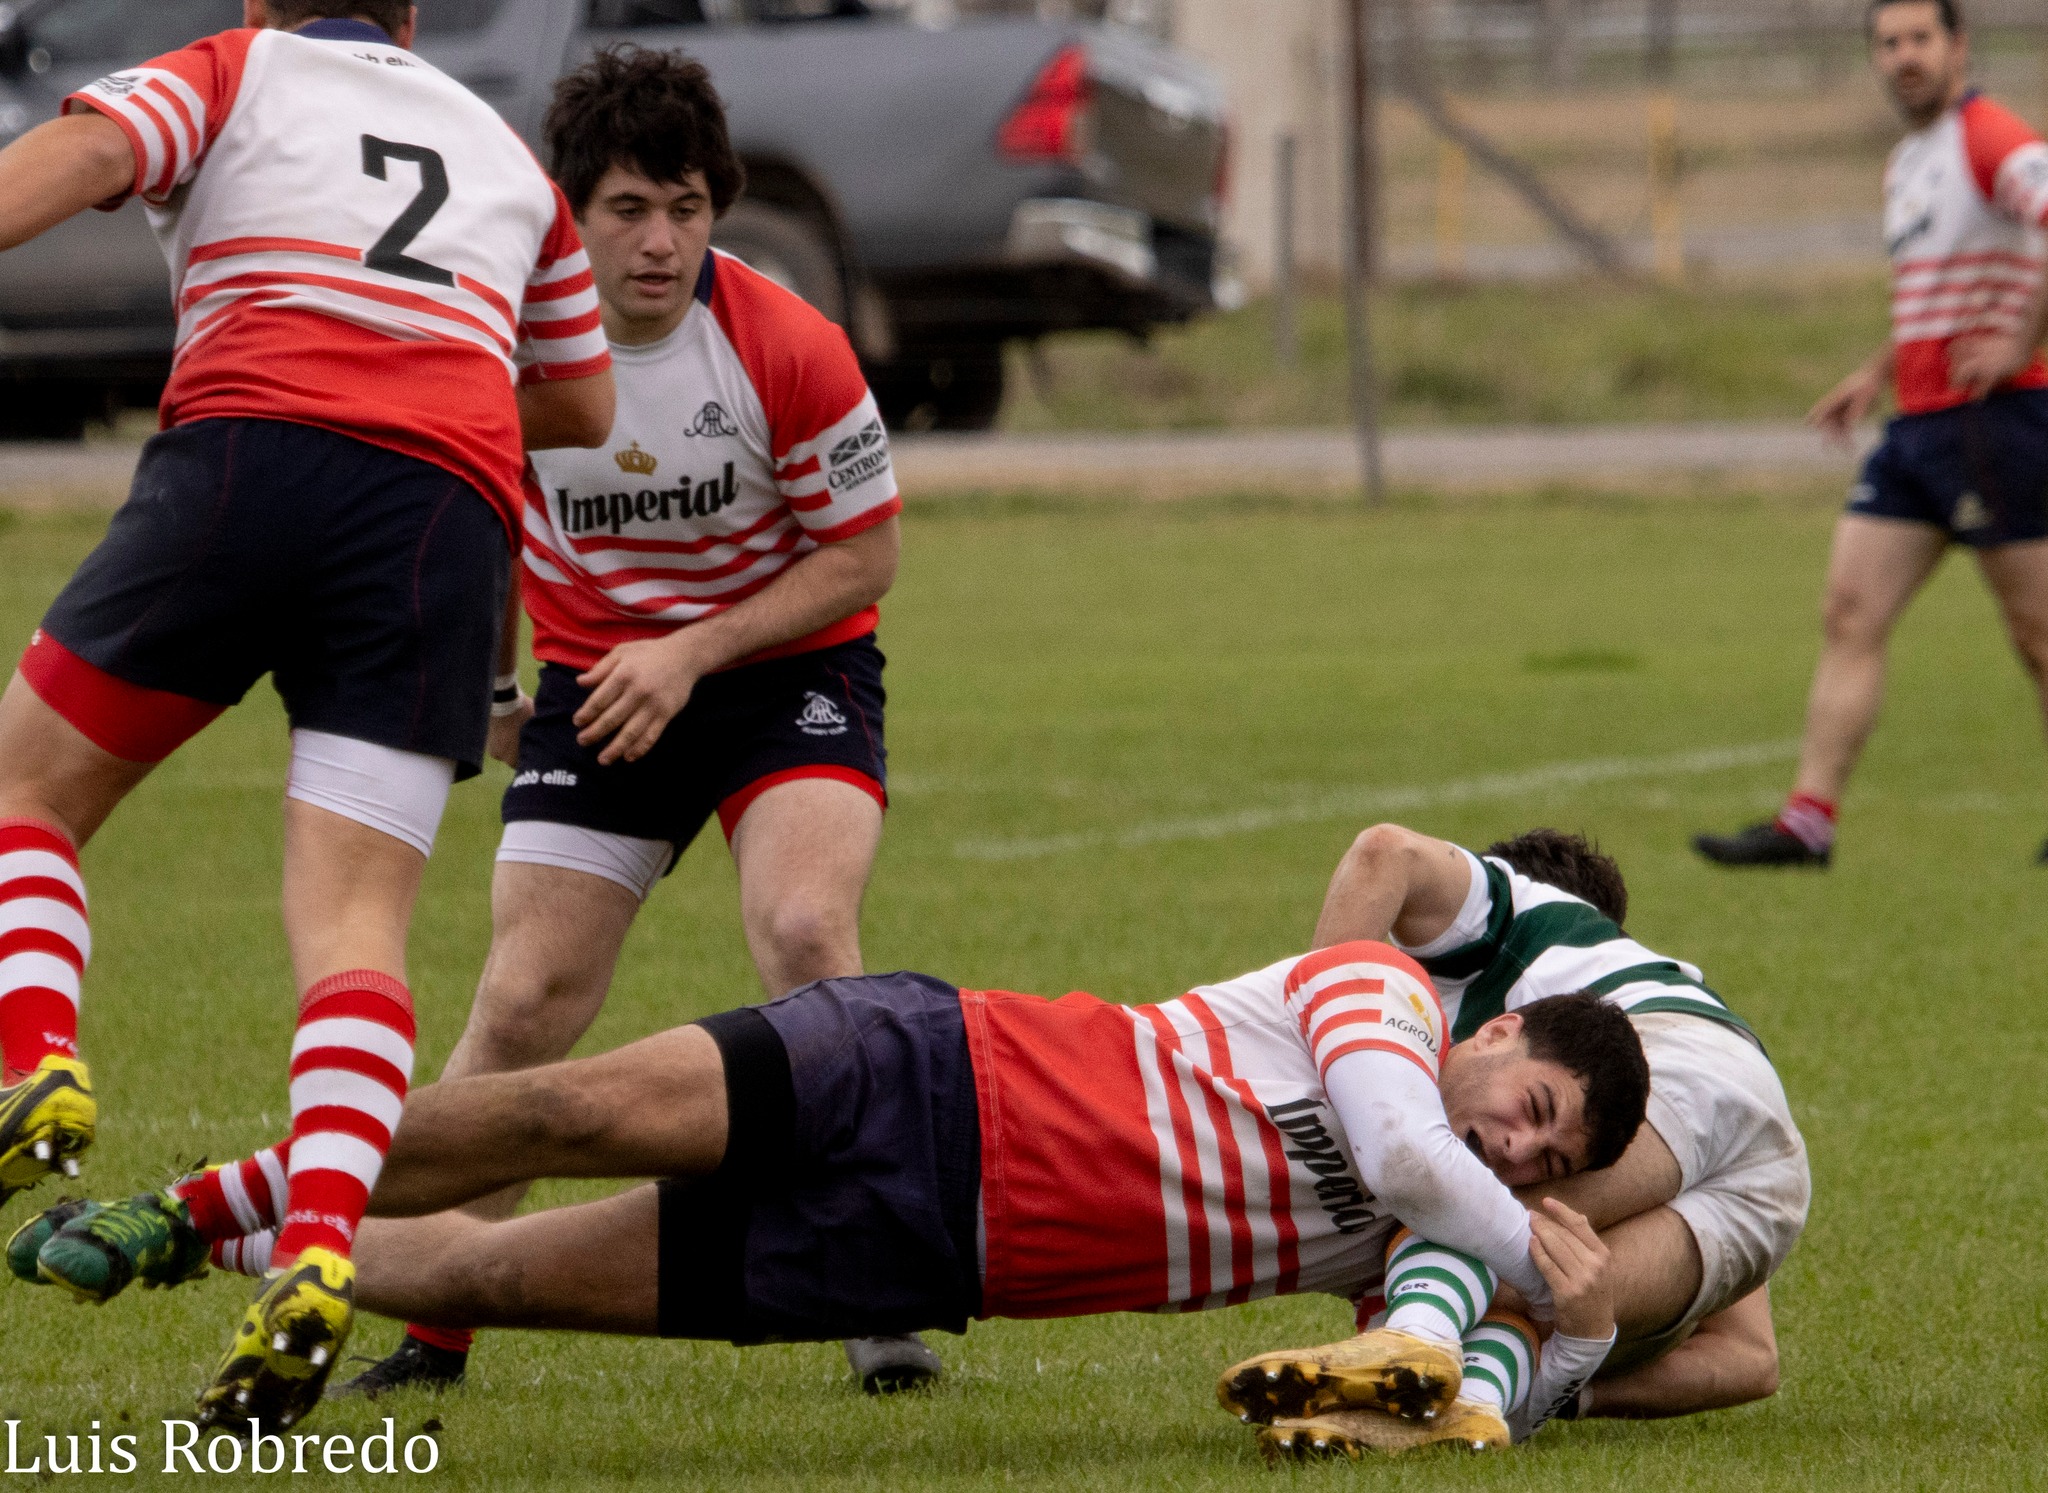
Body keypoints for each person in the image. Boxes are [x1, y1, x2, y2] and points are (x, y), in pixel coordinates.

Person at [0, 0, 614, 1429]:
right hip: (443, 512)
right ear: (411, 14)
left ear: (264, 0)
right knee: (354, 924)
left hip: (249, 453)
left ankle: (37, 1064)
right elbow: (580, 398)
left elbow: (85, 160)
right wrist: (434, 349)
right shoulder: (507, 157)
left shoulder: (233, 68)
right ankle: (326, 1245)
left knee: (27, 790)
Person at [10, 942, 1651, 1437]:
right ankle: (194, 1199)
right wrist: (1540, 1251)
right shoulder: (1385, 1001)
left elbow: (1429, 1385)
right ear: (1494, 1027)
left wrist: (1542, 1342)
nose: (1517, 1150)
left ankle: (239, 1259)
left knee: (492, 1277)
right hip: (922, 1063)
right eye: (1531, 1108)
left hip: (909, 1245)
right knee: (557, 1105)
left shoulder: (1432, 1237)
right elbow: (1402, 1150)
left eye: (1550, 1159)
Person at [330, 45, 912, 1400]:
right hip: (598, 690)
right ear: (566, 210)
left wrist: (693, 649)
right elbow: (458, 511)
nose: (664, 243)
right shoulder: (501, 347)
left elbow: (865, 559)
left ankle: (878, 1289)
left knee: (811, 938)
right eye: (631, 209)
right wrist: (482, 685)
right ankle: (430, 1321)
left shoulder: (786, 343)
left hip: (788, 673)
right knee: (527, 999)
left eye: (691, 208)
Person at [1231, 824, 1809, 1457]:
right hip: (1770, 1186)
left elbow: (1384, 851)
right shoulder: (1498, 1052)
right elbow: (1751, 1361)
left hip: (1689, 1066)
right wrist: (1556, 1389)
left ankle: (1413, 1343)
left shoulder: (1514, 935)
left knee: (1457, 1225)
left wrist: (1322, 1037)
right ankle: (1469, 1407)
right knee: (1537, 1291)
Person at [1695, 0, 2048, 869]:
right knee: (1849, 612)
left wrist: (2022, 340)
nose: (1903, 58)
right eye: (1888, 44)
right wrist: (1877, 372)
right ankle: (1806, 825)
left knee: (2038, 634)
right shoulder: (1909, 162)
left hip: (1993, 424)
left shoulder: (1990, 135)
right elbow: (1939, 287)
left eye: (1920, 39)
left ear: (1958, 47)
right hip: (1917, 427)